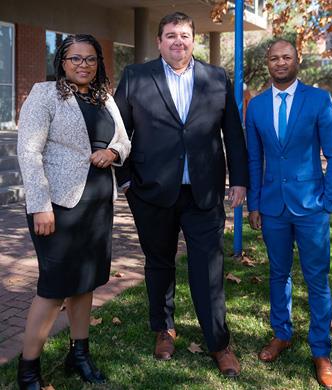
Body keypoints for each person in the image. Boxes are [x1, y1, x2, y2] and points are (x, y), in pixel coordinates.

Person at [114, 12, 248, 377]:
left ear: (194, 40)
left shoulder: (216, 78)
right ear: (159, 42)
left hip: (203, 192)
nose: (178, 41)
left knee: (209, 268)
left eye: (185, 35)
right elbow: (116, 132)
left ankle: (219, 343)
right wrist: (124, 181)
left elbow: (233, 133)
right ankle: (164, 329)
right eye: (170, 35)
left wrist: (240, 180)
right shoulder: (135, 77)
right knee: (159, 263)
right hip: (151, 192)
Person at [17, 34, 131, 389]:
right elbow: (29, 152)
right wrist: (40, 206)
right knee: (54, 289)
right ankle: (28, 369)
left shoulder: (105, 99)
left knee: (85, 284)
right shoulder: (44, 94)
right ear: (62, 62)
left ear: (98, 63)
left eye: (90, 59)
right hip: (57, 208)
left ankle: (78, 355)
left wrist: (113, 154)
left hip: (97, 207)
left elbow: (124, 140)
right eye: (75, 58)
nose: (83, 65)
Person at [246, 39, 332, 389]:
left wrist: (329, 201)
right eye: (274, 58)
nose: (280, 62)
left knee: (316, 279)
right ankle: (282, 334)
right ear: (268, 64)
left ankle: (321, 350)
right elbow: (254, 159)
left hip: (311, 206)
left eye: (286, 57)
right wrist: (254, 204)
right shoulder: (255, 107)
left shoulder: (319, 100)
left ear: (297, 60)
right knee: (278, 273)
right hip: (273, 206)